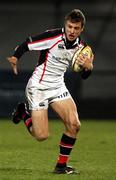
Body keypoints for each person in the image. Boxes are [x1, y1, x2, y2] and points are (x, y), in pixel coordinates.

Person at [7, 9, 94, 174]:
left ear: (81, 29)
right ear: (65, 24)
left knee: (74, 125)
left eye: (76, 28)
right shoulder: (52, 36)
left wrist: (88, 68)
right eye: (69, 26)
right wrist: (15, 57)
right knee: (41, 135)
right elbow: (27, 44)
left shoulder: (83, 49)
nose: (72, 31)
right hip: (38, 87)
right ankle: (23, 113)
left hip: (58, 86)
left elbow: (84, 75)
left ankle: (61, 166)